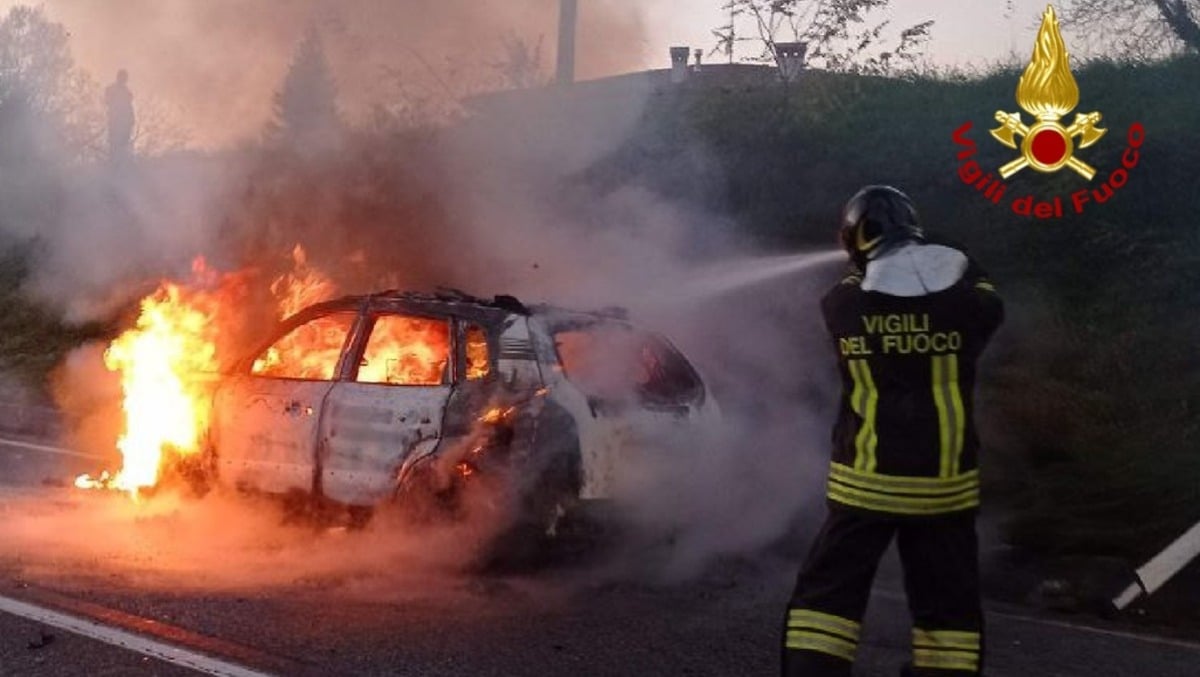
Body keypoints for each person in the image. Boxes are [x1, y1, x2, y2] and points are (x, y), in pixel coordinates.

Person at [782, 185, 1004, 676]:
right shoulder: (968, 310)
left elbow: (849, 284)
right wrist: (949, 257)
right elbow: (984, 291)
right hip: (943, 488)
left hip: (865, 483)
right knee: (948, 607)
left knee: (828, 596)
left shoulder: (843, 307)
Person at [105, 69, 134, 161]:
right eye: (123, 77)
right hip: (116, 122)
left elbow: (129, 107)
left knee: (123, 145)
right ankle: (114, 164)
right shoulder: (111, 89)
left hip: (124, 122)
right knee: (114, 145)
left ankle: (120, 163)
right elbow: (108, 103)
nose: (125, 80)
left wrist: (132, 119)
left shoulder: (126, 91)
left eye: (125, 78)